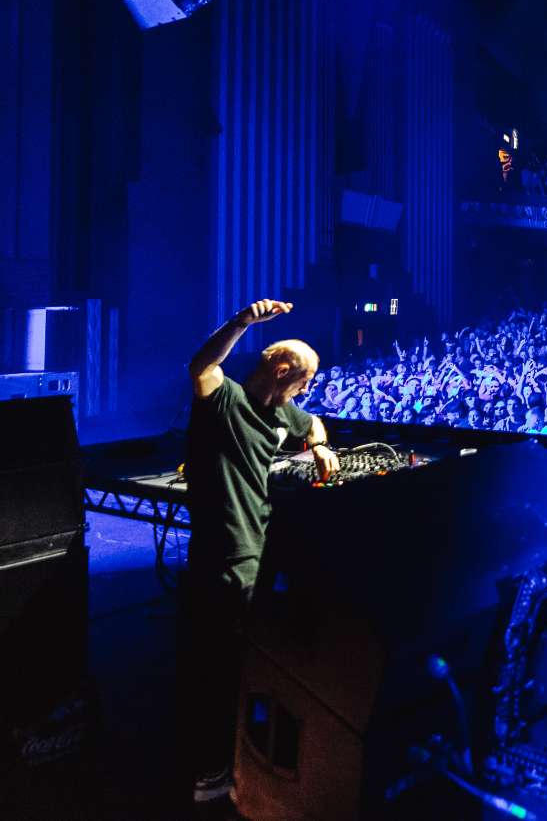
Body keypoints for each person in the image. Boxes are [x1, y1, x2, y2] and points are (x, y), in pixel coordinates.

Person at [180, 299, 338, 803]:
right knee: (221, 668)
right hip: (225, 554)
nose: (306, 390)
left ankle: (241, 759)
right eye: (303, 380)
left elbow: (311, 425)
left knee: (252, 663)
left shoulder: (281, 412)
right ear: (281, 368)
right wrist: (242, 322)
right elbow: (202, 366)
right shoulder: (224, 401)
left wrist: (318, 446)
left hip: (260, 550)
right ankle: (210, 774)